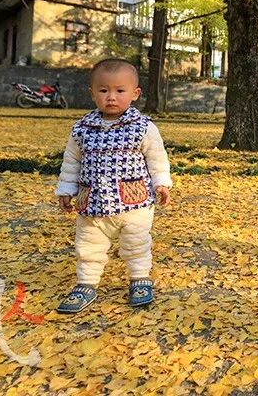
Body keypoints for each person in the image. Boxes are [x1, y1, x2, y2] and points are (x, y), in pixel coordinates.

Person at [55, 58, 172, 313]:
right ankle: (86, 283)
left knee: (136, 243)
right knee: (88, 244)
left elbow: (157, 158)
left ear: (135, 94)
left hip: (134, 202)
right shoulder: (81, 129)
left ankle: (140, 278)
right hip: (92, 202)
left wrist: (162, 183)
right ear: (92, 93)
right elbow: (72, 161)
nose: (111, 97)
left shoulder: (143, 127)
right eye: (103, 90)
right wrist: (66, 189)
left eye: (120, 91)